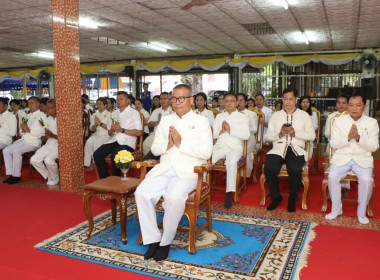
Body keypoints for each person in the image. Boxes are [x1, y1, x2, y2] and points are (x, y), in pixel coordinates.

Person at [135, 84, 213, 261]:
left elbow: (206, 153)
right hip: (165, 167)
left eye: (181, 98)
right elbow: (155, 149)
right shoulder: (166, 120)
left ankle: (166, 242)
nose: (176, 102)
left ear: (191, 100)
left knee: (174, 198)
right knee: (141, 193)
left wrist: (180, 142)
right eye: (174, 98)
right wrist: (168, 145)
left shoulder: (202, 122)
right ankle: (153, 239)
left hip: (188, 171)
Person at [325, 92, 379, 224]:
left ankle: (361, 212)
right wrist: (348, 138)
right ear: (348, 107)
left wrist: (359, 138)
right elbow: (333, 143)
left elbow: (374, 147)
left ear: (364, 107)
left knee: (367, 180)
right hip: (342, 157)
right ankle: (336, 209)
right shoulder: (339, 121)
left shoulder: (372, 123)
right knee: (332, 177)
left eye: (358, 105)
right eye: (351, 105)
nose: (354, 108)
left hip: (362, 158)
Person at [264, 88, 315, 212]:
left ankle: (292, 198)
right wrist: (280, 133)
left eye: (291, 99)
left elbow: (312, 136)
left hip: (296, 148)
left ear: (296, 100)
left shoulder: (304, 115)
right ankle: (276, 197)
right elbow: (268, 137)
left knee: (295, 169)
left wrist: (295, 133)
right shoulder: (276, 116)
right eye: (285, 99)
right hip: (278, 147)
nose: (288, 102)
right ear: (282, 100)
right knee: (269, 167)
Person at [212, 93, 250, 209]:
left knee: (231, 162)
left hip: (235, 147)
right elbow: (213, 135)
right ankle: (200, 187)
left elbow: (246, 135)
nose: (228, 103)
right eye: (226, 101)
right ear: (223, 102)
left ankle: (229, 193)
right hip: (220, 145)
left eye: (231, 101)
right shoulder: (219, 116)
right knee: (205, 160)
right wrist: (221, 131)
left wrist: (230, 130)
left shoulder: (242, 116)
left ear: (237, 103)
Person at [93, 91, 142, 179]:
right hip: (115, 139)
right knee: (97, 154)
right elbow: (110, 131)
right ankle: (106, 179)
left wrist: (122, 130)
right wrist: (111, 131)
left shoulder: (134, 113)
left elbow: (139, 132)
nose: (119, 101)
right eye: (117, 99)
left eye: (121, 99)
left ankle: (115, 178)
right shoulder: (115, 113)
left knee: (116, 154)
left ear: (128, 101)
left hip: (127, 142)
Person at [3, 97, 47, 184]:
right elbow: (22, 129)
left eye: (32, 103)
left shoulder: (43, 116)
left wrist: (29, 130)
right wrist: (22, 129)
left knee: (16, 151)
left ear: (38, 104)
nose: (30, 105)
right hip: (24, 139)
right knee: (6, 150)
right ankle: (11, 174)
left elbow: (43, 133)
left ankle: (16, 176)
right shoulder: (28, 115)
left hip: (34, 142)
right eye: (29, 103)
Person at [30, 100, 60, 186]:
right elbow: (44, 135)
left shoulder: (62, 120)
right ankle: (50, 174)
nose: (49, 110)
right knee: (33, 160)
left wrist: (52, 135)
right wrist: (43, 135)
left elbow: (65, 138)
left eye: (52, 108)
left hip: (59, 145)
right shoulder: (47, 119)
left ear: (57, 108)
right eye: (48, 108)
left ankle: (55, 177)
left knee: (48, 160)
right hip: (49, 144)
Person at [324, 93, 350, 191]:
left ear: (348, 104)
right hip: (333, 146)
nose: (341, 105)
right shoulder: (331, 116)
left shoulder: (351, 116)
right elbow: (327, 134)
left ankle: (344, 186)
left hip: (347, 146)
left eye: (344, 103)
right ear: (336, 104)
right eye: (339, 103)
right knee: (336, 156)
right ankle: (334, 186)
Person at [84, 97, 112, 169]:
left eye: (100, 104)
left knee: (96, 143)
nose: (98, 106)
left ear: (105, 105)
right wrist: (95, 125)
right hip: (97, 133)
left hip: (106, 134)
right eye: (97, 104)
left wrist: (100, 123)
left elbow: (110, 128)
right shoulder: (95, 115)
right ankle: (88, 163)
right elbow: (91, 128)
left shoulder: (110, 114)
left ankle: (96, 164)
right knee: (88, 142)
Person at [237, 93, 258, 178]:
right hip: (235, 138)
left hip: (248, 139)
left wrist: (241, 128)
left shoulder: (251, 114)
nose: (238, 102)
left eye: (241, 100)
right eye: (237, 100)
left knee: (244, 148)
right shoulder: (231, 114)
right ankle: (232, 172)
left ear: (245, 103)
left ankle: (244, 174)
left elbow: (254, 129)